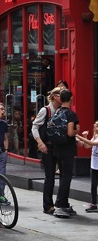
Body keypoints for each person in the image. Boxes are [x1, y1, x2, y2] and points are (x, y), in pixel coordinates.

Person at [31, 87, 62, 214]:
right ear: (54, 96)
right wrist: (40, 143)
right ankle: (48, 205)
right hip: (47, 146)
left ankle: (60, 203)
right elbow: (34, 127)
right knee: (50, 177)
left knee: (63, 176)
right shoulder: (45, 110)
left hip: (59, 147)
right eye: (60, 95)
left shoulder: (62, 110)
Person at [51, 89, 79, 218]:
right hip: (68, 149)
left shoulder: (57, 112)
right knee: (66, 177)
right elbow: (70, 133)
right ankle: (60, 205)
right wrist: (76, 131)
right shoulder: (71, 115)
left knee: (63, 176)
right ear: (71, 98)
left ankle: (64, 204)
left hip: (57, 148)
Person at [75, 121, 98, 213]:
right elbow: (87, 146)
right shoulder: (95, 136)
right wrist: (84, 136)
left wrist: (78, 136)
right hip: (94, 164)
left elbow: (92, 144)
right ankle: (93, 204)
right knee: (93, 184)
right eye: (96, 127)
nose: (96, 129)